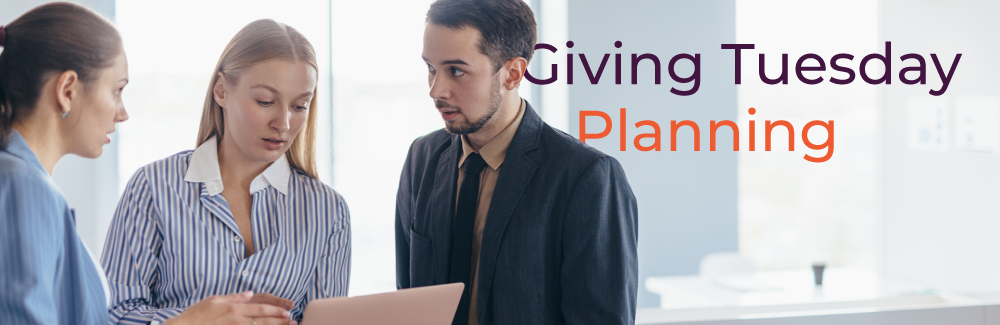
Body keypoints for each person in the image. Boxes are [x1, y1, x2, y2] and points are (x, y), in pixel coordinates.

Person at [0, 3, 290, 325]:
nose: (121, 113)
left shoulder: (25, 182)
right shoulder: (22, 185)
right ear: (68, 90)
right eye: (116, 91)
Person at [395, 0, 639, 324]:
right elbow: (408, 299)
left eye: (456, 71)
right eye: (431, 68)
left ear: (512, 73)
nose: (436, 89)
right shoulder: (422, 158)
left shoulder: (586, 176)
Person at [101, 19, 350, 324]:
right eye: (265, 101)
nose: (283, 123)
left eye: (299, 106)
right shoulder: (153, 187)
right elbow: (112, 314)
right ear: (221, 91)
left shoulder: (328, 210)